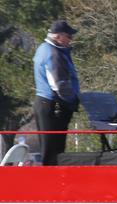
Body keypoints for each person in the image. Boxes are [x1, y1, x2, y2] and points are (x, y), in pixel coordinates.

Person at [32, 20, 80, 165]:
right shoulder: (54, 53)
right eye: (68, 36)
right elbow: (60, 84)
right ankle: (51, 181)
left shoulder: (43, 48)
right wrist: (72, 101)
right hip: (53, 105)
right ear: (58, 36)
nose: (70, 40)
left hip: (45, 102)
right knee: (53, 149)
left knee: (50, 147)